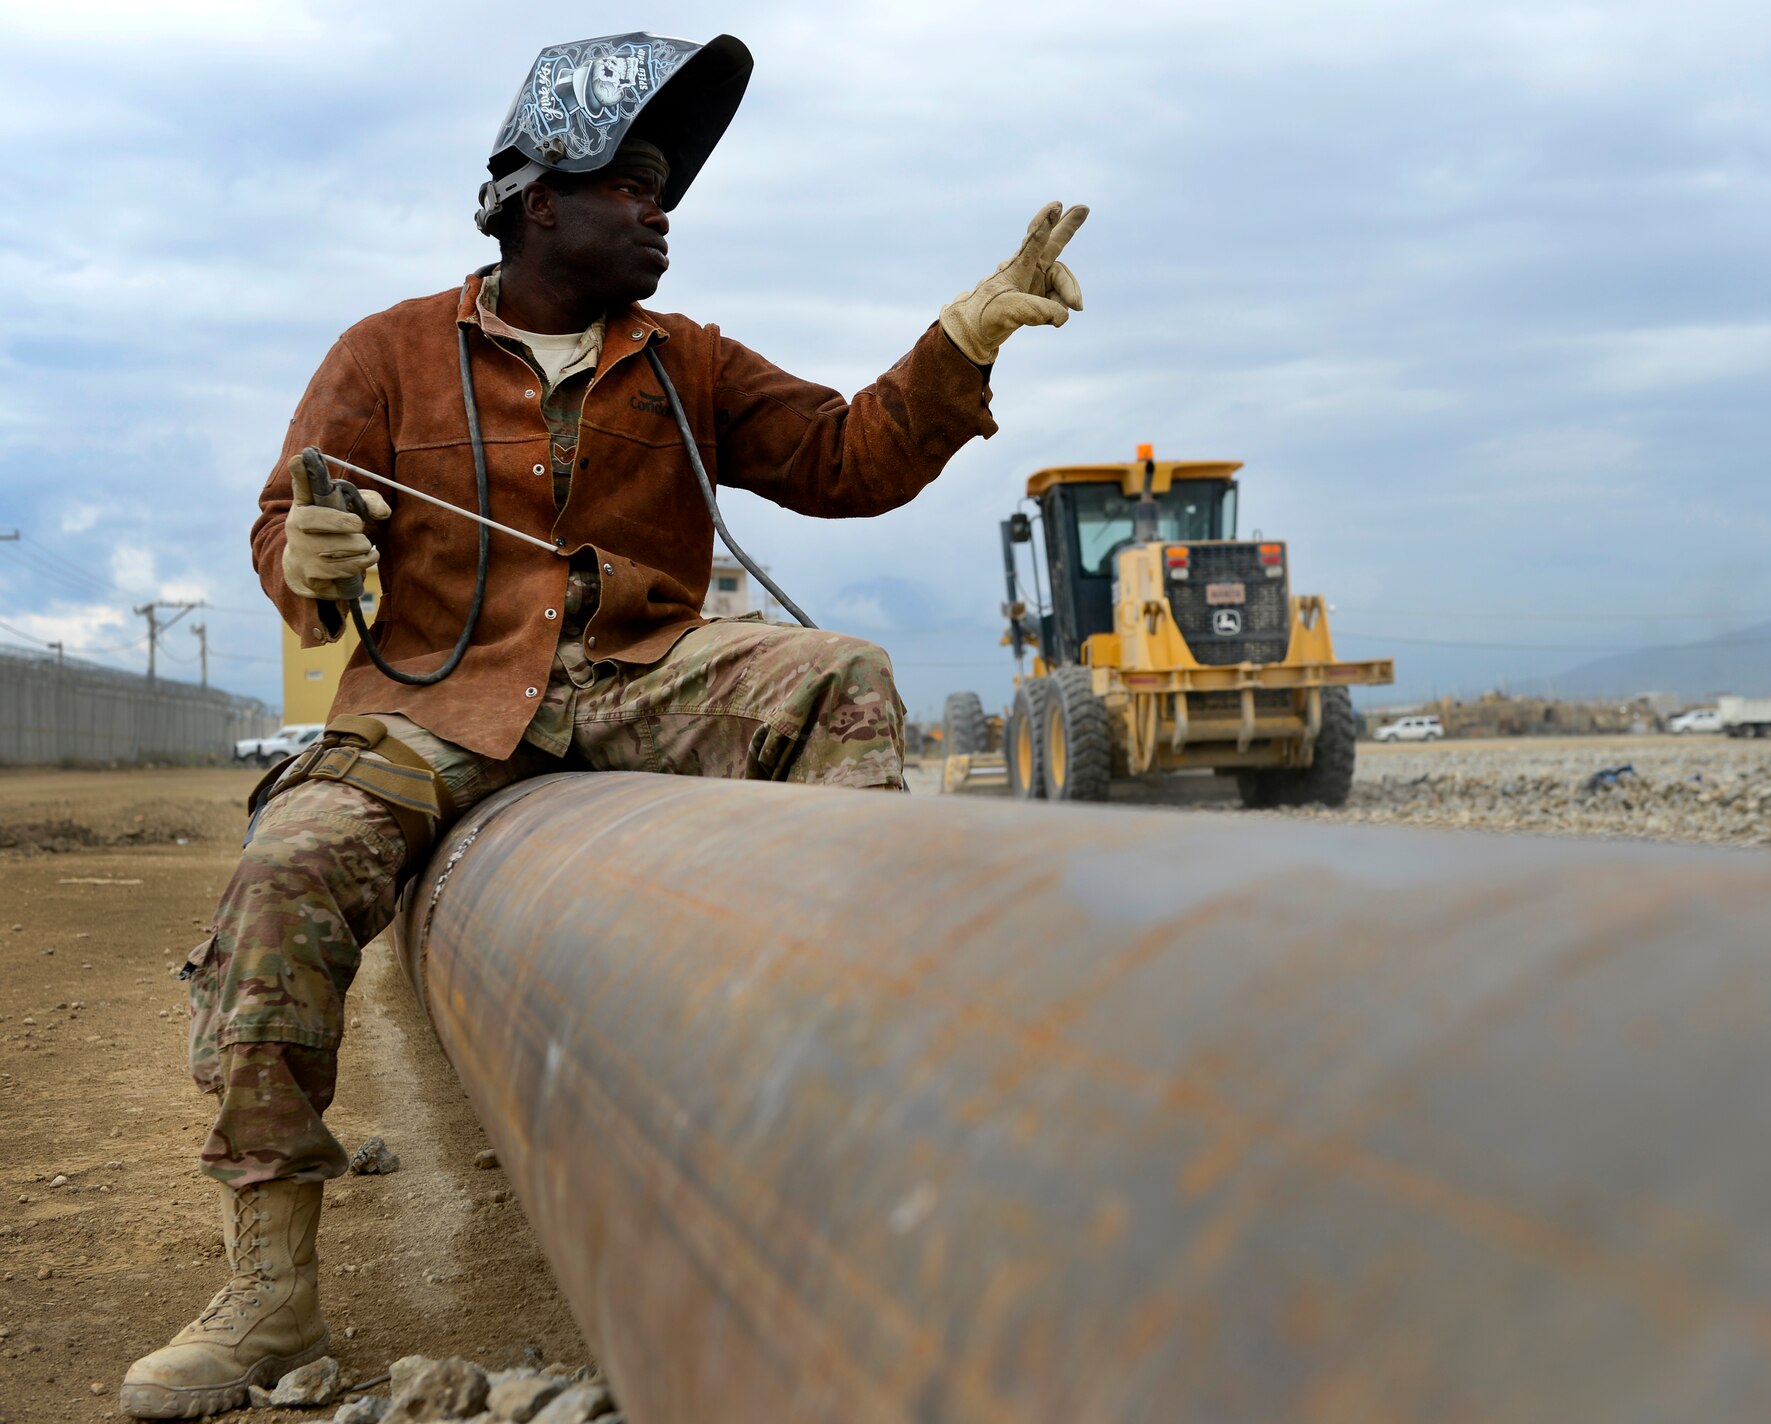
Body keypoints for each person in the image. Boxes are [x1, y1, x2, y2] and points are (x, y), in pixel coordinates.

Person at [121, 31, 1087, 1418]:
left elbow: (846, 455)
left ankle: (824, 1122)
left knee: (842, 672)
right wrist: (312, 560)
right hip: (434, 706)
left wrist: (966, 337)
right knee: (285, 876)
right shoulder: (387, 354)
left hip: (639, 678)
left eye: (665, 185)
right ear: (535, 201)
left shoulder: (685, 361)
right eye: (631, 183)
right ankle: (271, 1298)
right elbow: (295, 518)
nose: (661, 208)